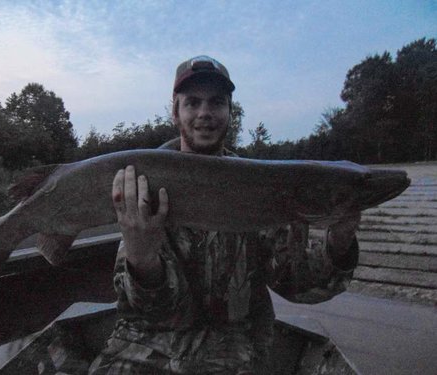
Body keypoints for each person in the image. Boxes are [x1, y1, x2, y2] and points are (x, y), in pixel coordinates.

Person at [89, 55, 360, 374]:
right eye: (192, 102)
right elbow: (145, 311)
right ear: (175, 112)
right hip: (147, 344)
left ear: (231, 112)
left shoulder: (259, 185)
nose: (204, 113)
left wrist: (339, 245)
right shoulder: (144, 182)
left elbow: (296, 285)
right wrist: (140, 255)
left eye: (217, 102)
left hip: (235, 344)